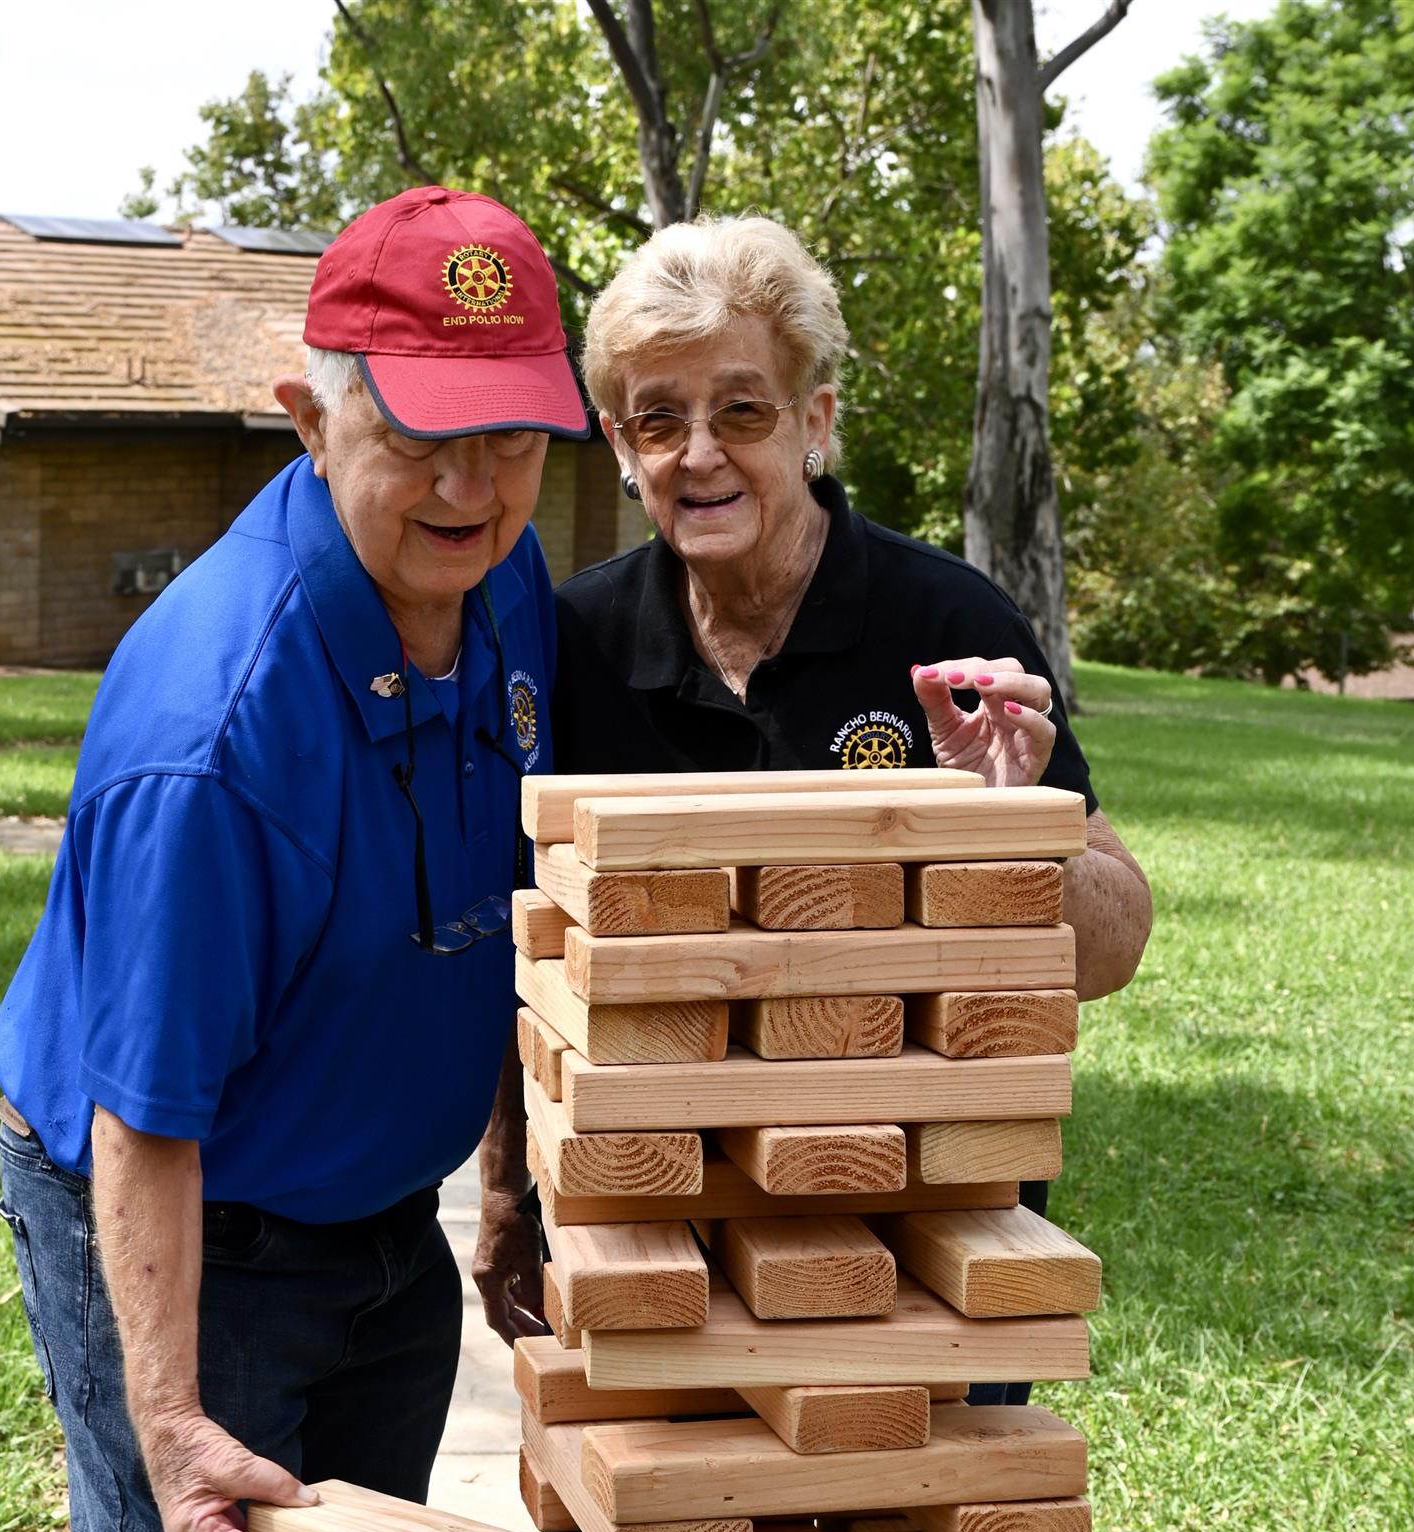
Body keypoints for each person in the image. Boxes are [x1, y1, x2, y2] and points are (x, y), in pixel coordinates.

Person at [0, 185, 587, 1532]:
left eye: (510, 431)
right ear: (306, 410)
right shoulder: (211, 735)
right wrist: (169, 1436)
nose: (469, 482)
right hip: (181, 1213)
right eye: (417, 426)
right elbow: (143, 1123)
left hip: (368, 1218)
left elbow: (493, 902)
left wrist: (504, 1179)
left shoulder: (500, 589)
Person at [473, 216, 1151, 1398]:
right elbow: (522, 948)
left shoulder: (944, 625)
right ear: (620, 450)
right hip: (650, 1239)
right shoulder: (569, 641)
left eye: (741, 411)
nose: (699, 455)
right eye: (657, 418)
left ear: (816, 421)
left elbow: (1111, 946)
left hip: (919, 1251)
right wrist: (504, 1200)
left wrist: (1012, 821)